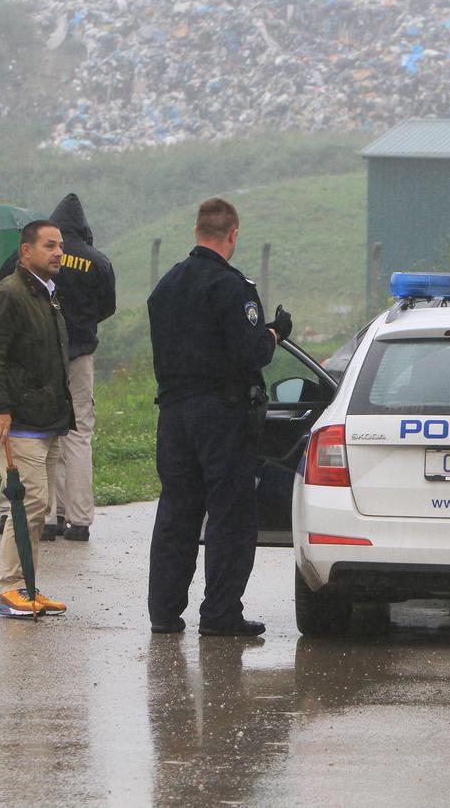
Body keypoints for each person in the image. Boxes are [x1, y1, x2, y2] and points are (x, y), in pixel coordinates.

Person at [146, 198, 292, 636]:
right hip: (221, 414)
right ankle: (220, 613)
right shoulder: (233, 287)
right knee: (230, 513)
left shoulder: (166, 286)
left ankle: (164, 613)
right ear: (233, 234)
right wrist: (273, 333)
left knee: (176, 511)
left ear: (196, 231)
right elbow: (251, 353)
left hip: (173, 415)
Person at [0, 193, 116, 542]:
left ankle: (27, 514)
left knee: (31, 427)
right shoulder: (98, 262)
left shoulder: (25, 256)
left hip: (36, 356)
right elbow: (107, 307)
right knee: (77, 434)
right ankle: (77, 519)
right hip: (80, 355)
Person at [0, 220, 76, 617]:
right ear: (25, 251)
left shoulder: (46, 295)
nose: (58, 253)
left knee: (38, 507)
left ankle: (28, 588)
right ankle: (10, 588)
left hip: (46, 421)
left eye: (60, 246)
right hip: (17, 423)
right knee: (27, 504)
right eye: (49, 246)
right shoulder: (9, 295)